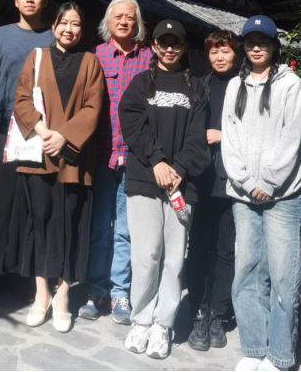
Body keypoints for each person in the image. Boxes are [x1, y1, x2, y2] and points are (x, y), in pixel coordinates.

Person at [8, 2, 105, 333]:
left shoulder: (90, 62)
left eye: (75, 24)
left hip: (74, 159)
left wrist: (64, 137)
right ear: (53, 27)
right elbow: (21, 98)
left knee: (71, 223)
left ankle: (63, 294)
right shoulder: (36, 58)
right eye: (63, 23)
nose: (69, 29)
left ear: (82, 30)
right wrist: (42, 131)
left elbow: (94, 106)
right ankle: (42, 293)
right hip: (40, 157)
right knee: (40, 222)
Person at [119, 20, 211, 360]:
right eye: (164, 42)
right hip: (144, 180)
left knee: (173, 259)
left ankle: (163, 324)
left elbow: (198, 137)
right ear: (154, 46)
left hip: (182, 186)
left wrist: (179, 170)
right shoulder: (140, 83)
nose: (170, 49)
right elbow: (132, 124)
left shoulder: (196, 88)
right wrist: (157, 161)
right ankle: (141, 320)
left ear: (184, 47)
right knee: (146, 256)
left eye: (176, 43)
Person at [221, 15, 301, 372]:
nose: (256, 47)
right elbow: (229, 139)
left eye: (263, 41)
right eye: (250, 42)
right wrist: (245, 181)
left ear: (275, 46)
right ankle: (254, 348)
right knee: (247, 273)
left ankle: (279, 356)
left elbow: (293, 139)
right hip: (244, 196)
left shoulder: (291, 85)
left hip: (283, 197)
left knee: (283, 277)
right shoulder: (235, 86)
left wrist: (269, 182)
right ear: (243, 46)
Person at [0, 0, 55, 302]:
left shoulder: (53, 37)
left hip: (39, 130)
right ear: (15, 0)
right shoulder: (1, 36)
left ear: (45, 1)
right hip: (0, 128)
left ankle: (23, 271)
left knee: (32, 205)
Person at [78, 0, 152, 325]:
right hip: (101, 156)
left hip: (134, 158)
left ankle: (120, 292)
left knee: (125, 231)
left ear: (138, 25)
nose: (123, 21)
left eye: (130, 17)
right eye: (118, 16)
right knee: (98, 228)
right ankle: (95, 290)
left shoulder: (149, 59)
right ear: (108, 21)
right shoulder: (94, 57)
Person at [188, 29, 239, 352]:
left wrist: (224, 136)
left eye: (225, 51)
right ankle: (199, 310)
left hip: (233, 181)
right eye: (214, 52)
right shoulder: (199, 86)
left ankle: (218, 314)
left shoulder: (246, 86)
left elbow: (257, 132)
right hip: (202, 179)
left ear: (236, 54)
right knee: (198, 248)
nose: (219, 57)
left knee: (226, 251)